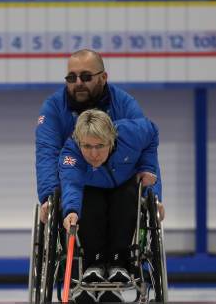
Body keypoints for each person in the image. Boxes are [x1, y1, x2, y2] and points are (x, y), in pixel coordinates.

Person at [35, 49, 149, 224]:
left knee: (126, 201)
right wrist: (49, 197)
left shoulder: (124, 104)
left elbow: (145, 151)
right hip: (79, 183)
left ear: (103, 78)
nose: (78, 83)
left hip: (120, 181)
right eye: (72, 78)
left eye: (86, 77)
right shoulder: (54, 107)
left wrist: (153, 194)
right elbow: (47, 153)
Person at [59, 109, 161, 285]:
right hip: (92, 188)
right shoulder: (71, 154)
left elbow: (153, 132)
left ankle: (119, 262)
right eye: (87, 146)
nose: (94, 154)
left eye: (100, 146)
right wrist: (71, 211)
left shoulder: (132, 133)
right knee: (88, 202)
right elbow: (71, 184)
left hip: (124, 184)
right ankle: (94, 263)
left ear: (111, 140)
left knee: (127, 198)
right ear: (78, 142)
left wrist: (148, 167)